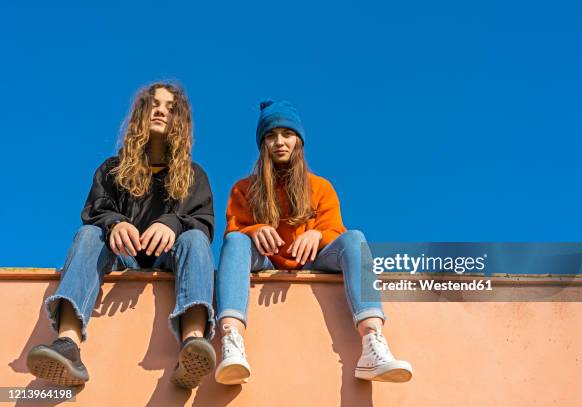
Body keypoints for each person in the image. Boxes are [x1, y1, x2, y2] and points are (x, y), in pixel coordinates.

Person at [26, 83, 216, 389]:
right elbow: (94, 211)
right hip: (121, 259)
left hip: (169, 264)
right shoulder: (112, 170)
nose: (160, 110)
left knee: (194, 240)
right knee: (89, 233)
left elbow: (203, 224)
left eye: (170, 107)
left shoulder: (194, 175)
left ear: (179, 121)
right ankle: (67, 344)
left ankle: (192, 343)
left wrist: (172, 223)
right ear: (141, 113)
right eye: (153, 104)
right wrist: (115, 222)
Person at [214, 100, 413, 385]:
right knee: (235, 240)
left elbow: (336, 229)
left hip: (315, 259)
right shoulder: (243, 188)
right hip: (263, 258)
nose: (279, 142)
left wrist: (318, 234)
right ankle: (231, 342)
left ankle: (372, 342)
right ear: (262, 144)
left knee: (355, 238)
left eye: (287, 134)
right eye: (271, 135)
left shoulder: (320, 187)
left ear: (299, 140)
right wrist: (254, 230)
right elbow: (234, 228)